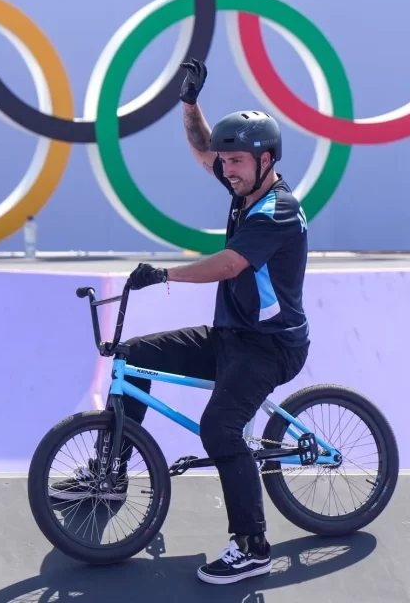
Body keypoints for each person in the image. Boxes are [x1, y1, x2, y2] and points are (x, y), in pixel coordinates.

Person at [50, 58, 310, 585]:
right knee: (132, 357)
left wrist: (165, 274)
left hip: (271, 347)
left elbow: (231, 264)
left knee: (220, 427)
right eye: (227, 162)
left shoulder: (275, 211)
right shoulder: (245, 188)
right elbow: (200, 148)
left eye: (235, 161)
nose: (226, 169)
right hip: (231, 336)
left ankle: (253, 547)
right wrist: (189, 104)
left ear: (265, 160)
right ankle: (111, 474)